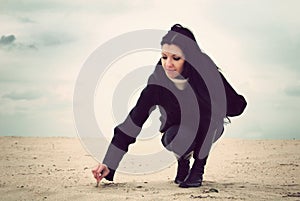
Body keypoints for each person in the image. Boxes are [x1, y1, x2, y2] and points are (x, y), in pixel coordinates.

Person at [92, 24, 247, 188]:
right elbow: (134, 121)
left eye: (176, 58)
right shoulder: (157, 82)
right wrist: (108, 163)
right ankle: (183, 160)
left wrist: (216, 92)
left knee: (209, 120)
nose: (168, 64)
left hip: (209, 127)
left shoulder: (205, 72)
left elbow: (236, 106)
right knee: (179, 137)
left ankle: (197, 168)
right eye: (164, 57)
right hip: (176, 132)